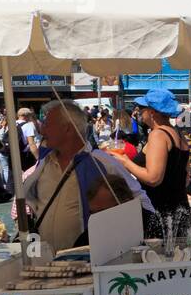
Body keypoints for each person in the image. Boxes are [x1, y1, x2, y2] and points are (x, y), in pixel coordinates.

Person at [20, 102, 153, 254]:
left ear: (67, 128)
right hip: (46, 261)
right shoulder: (44, 165)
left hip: (88, 261)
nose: (42, 130)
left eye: (48, 125)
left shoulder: (102, 163)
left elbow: (142, 203)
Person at [115, 89, 191, 239]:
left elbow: (153, 178)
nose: (139, 112)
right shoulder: (178, 134)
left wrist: (125, 161)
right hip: (180, 210)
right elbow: (186, 177)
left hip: (160, 214)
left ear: (152, 112)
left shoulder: (158, 135)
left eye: (142, 108)